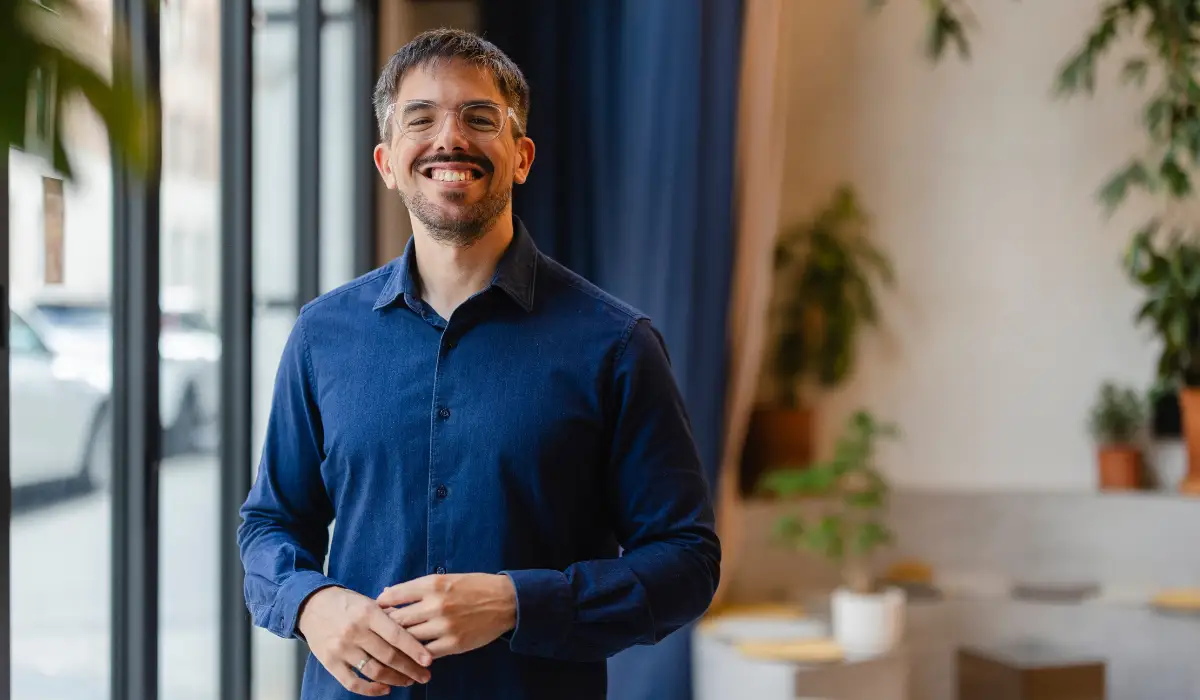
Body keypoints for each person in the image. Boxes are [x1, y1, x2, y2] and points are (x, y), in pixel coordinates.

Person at [238, 27, 720, 699]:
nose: (449, 139)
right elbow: (269, 525)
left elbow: (687, 562)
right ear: (387, 162)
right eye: (421, 119)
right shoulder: (322, 334)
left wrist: (516, 602)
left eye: (478, 117)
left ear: (521, 157)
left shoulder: (616, 344)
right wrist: (311, 605)